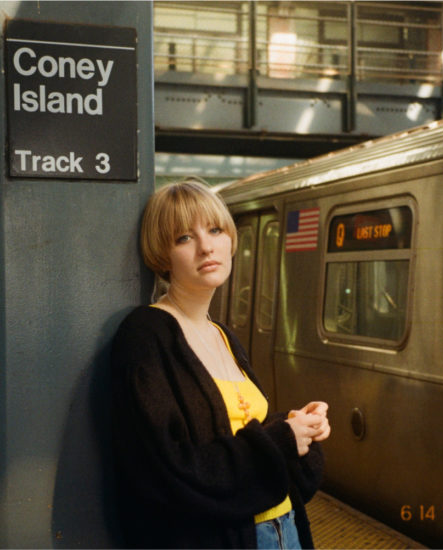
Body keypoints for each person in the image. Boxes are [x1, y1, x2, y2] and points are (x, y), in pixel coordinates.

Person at [110, 179, 331, 549]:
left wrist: (296, 428)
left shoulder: (222, 334)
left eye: (215, 230)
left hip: (284, 528)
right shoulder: (146, 336)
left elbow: (239, 434)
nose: (206, 246)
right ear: (162, 256)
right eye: (184, 237)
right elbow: (168, 469)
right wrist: (281, 441)